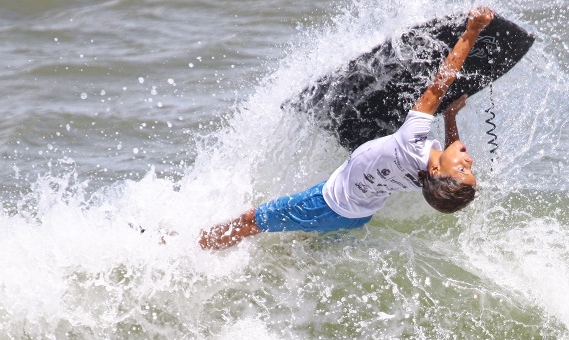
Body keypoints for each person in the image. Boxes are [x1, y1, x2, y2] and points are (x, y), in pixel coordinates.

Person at [199, 6, 494, 251]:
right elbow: (453, 149)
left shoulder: (411, 143)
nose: (468, 160)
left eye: (463, 169)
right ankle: (291, 256)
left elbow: (439, 85)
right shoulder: (426, 181)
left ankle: (197, 248)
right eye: (469, 168)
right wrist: (450, 117)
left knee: (251, 221)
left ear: (437, 172)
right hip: (357, 217)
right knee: (309, 243)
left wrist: (472, 31)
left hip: (326, 203)